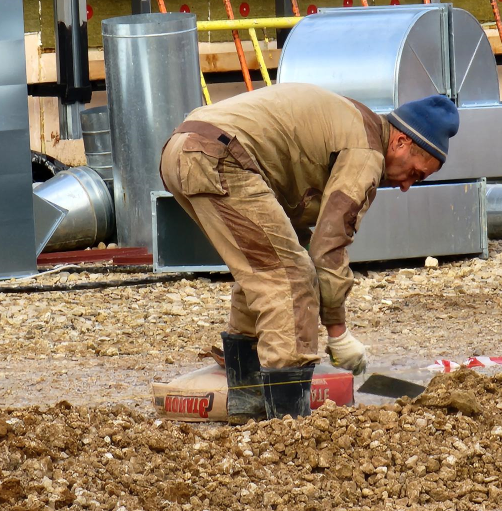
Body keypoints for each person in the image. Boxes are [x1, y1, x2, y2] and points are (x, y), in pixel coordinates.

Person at [160, 84, 459, 421]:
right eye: (415, 173)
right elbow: (329, 245)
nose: (406, 185)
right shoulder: (366, 152)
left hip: (186, 148)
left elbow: (300, 236)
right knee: (290, 278)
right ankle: (289, 425)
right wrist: (338, 332)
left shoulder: (352, 124)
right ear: (401, 141)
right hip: (217, 156)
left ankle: (248, 401)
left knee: (267, 265)